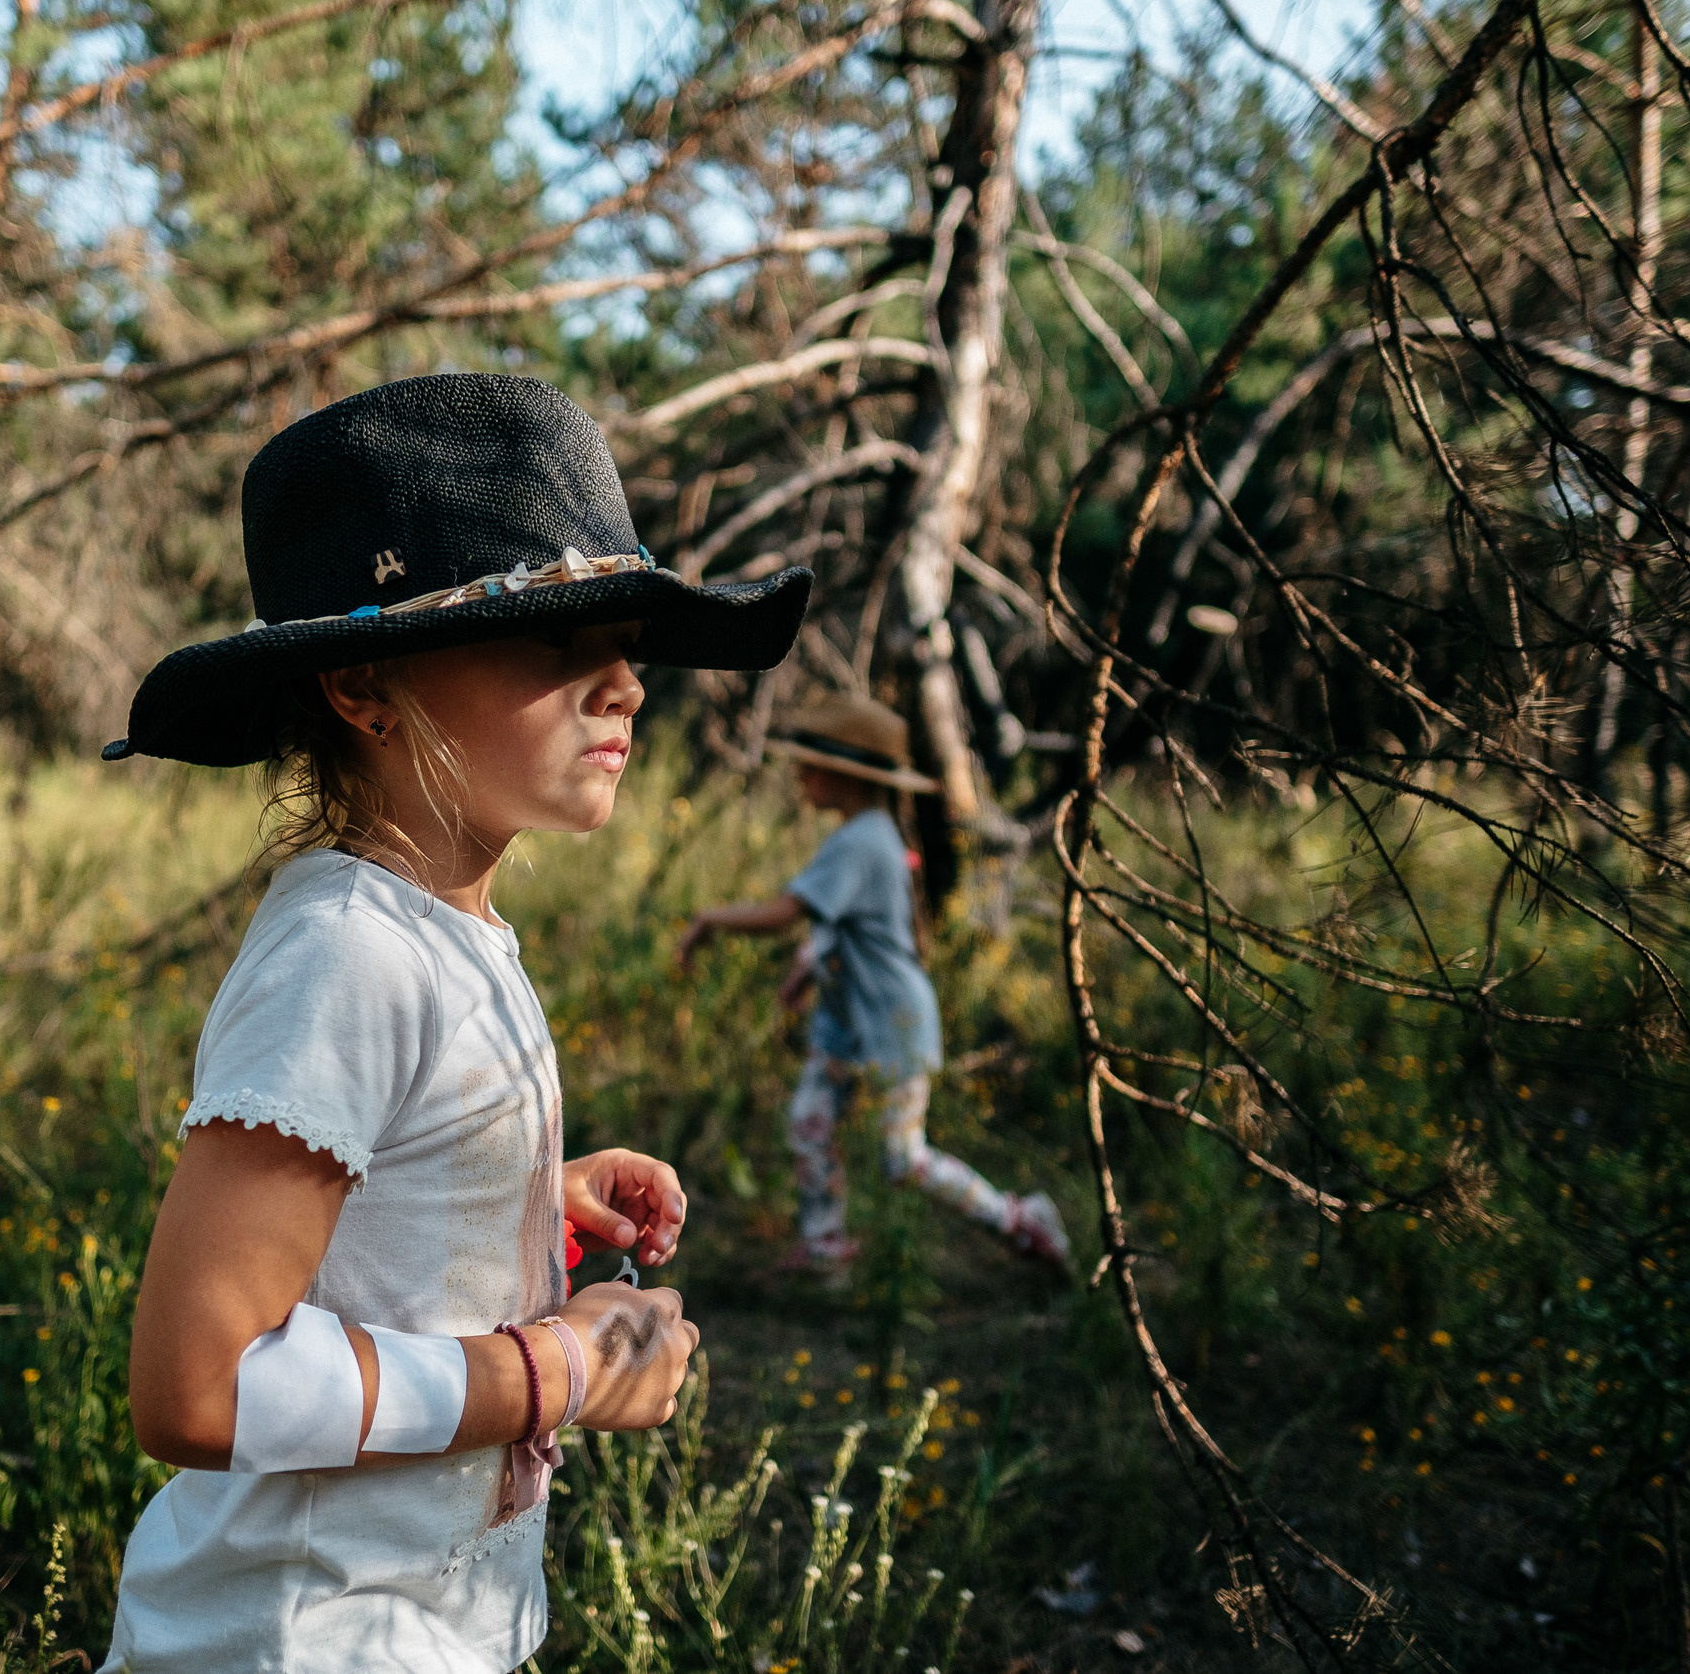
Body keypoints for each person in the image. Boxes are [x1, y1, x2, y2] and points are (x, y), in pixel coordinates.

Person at [91, 374, 812, 1674]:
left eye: (626, 642)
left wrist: (523, 1194)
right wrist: (560, 1371)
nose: (625, 686)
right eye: (555, 640)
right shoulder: (347, 952)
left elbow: (363, 1226)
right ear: (364, 683)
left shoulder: (437, 931)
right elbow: (200, 1383)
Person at [678, 695, 1067, 1273]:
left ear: (846, 776)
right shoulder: (865, 833)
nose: (799, 776)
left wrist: (709, 919)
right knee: (810, 1122)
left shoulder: (861, 840)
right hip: (847, 1020)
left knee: (903, 1158)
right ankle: (824, 1248)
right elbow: (849, 924)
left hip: (891, 1020)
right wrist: (807, 968)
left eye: (810, 766)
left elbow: (783, 914)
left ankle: (1019, 1219)